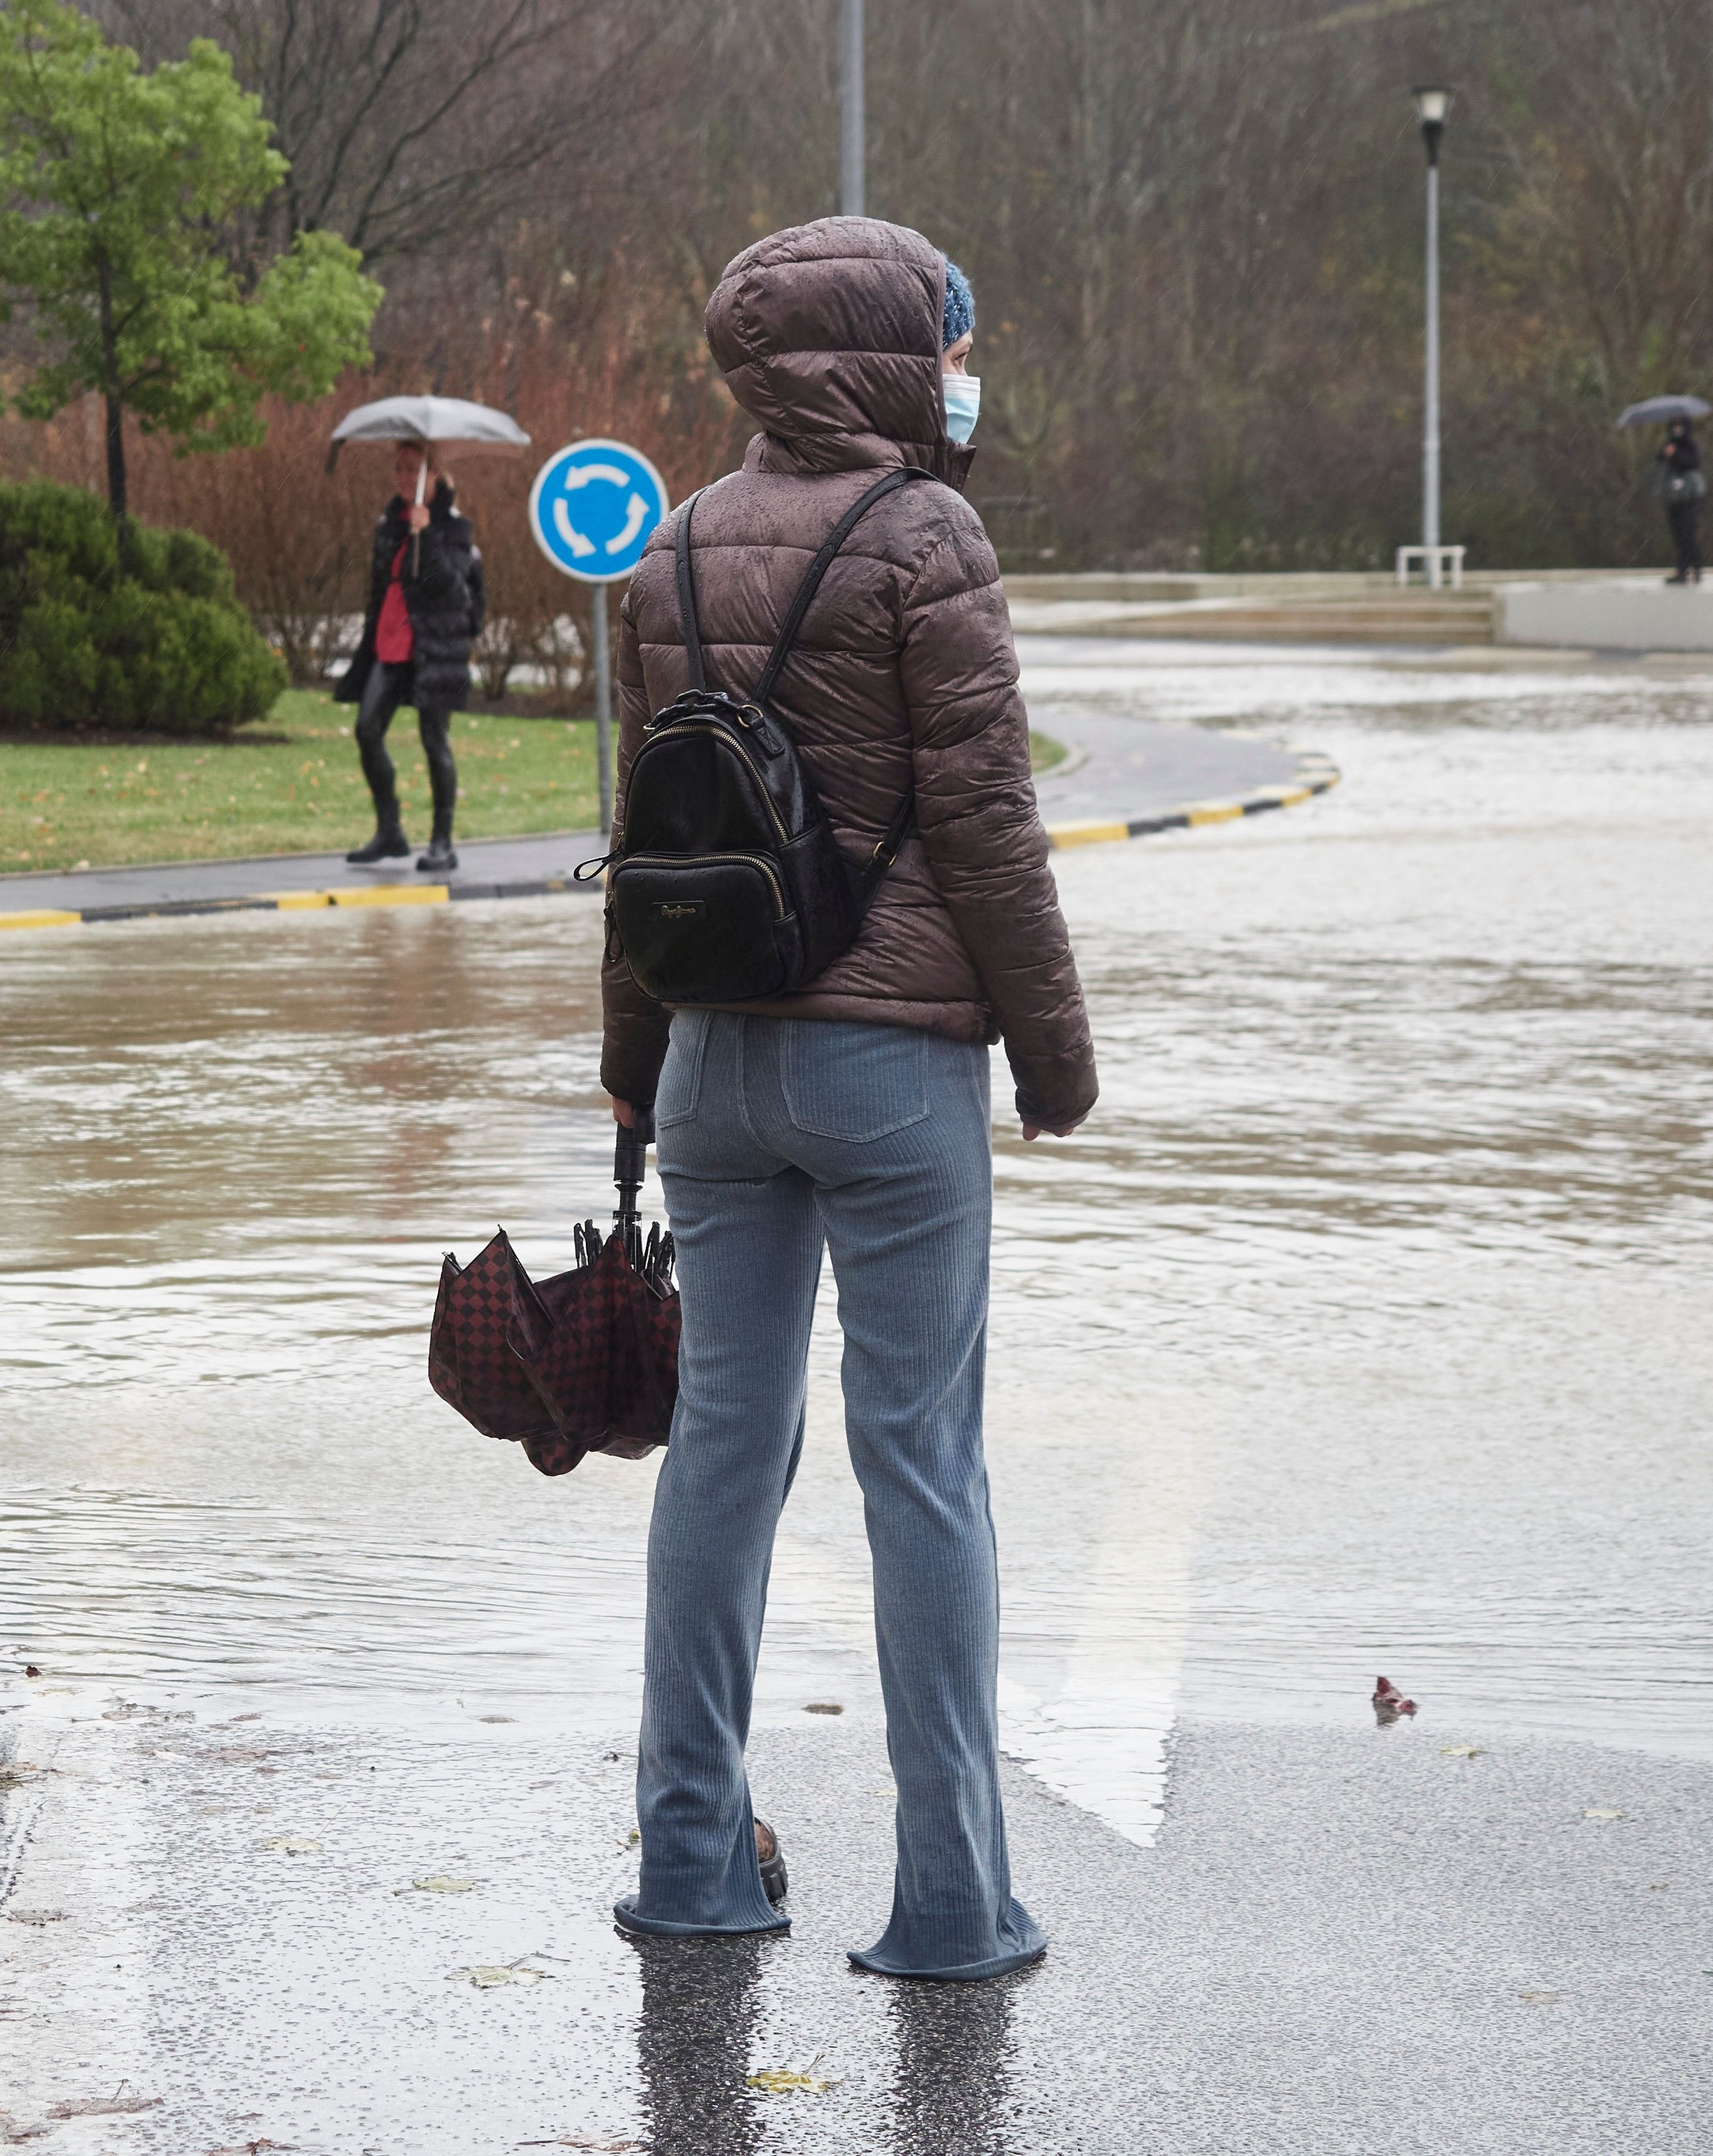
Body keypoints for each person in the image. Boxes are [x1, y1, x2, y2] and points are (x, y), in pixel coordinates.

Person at [599, 219, 1097, 1981]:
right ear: (893, 354)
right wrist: (1053, 1051)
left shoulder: (667, 541)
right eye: (950, 342)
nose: (965, 370)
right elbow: (985, 819)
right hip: (891, 1070)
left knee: (722, 1450)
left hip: (716, 1057)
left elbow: (646, 842)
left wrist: (630, 1071)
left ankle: (691, 1857)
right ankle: (951, 1895)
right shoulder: (928, 534)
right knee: (922, 1466)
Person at [331, 440, 484, 874]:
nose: (402, 477)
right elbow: (381, 588)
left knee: (434, 741)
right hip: (389, 643)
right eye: (397, 468)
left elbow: (454, 589)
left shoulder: (455, 528)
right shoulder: (389, 525)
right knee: (366, 729)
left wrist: (428, 535)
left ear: (433, 474)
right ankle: (390, 831)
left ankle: (442, 842)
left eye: (412, 469)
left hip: (436, 649)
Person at [1657, 419, 1706, 584]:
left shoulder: (1691, 446)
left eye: (1679, 427)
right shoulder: (1669, 445)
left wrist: (1675, 455)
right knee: (1678, 535)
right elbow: (1659, 461)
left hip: (1690, 497)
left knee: (1688, 534)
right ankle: (1683, 571)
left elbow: (1691, 463)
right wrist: (1666, 453)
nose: (1676, 431)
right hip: (1674, 496)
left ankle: (1695, 568)